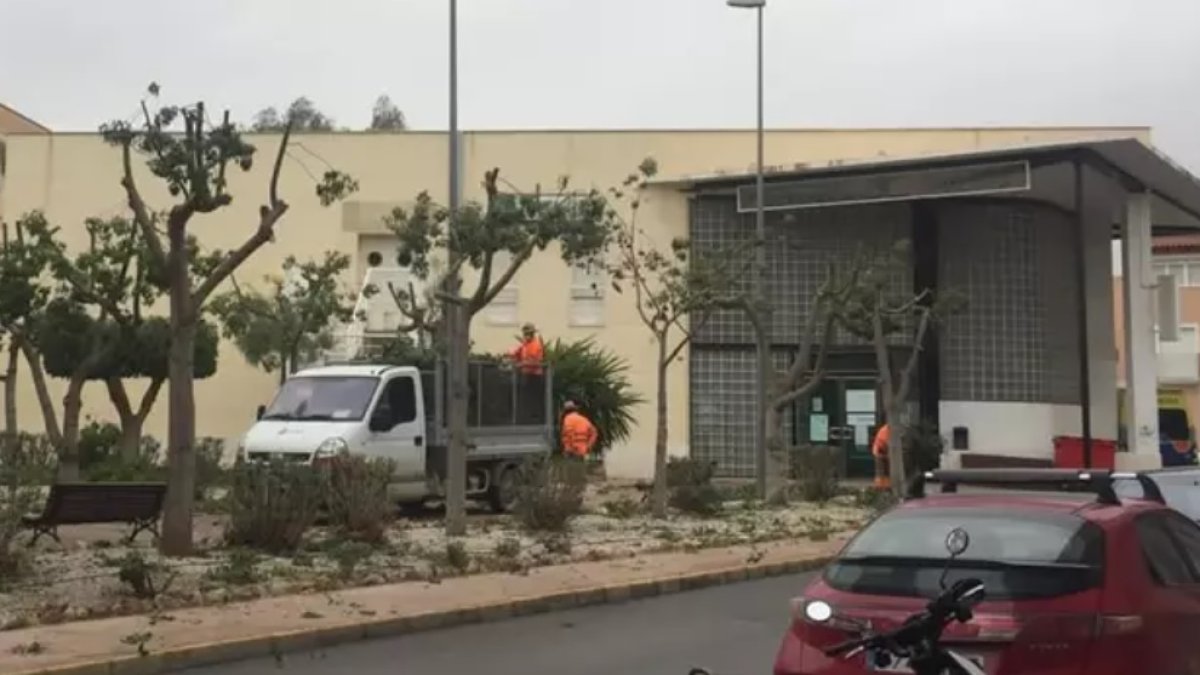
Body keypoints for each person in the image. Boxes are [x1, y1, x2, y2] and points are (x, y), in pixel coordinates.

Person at [871, 422, 891, 490]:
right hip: (880, 451)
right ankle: (881, 486)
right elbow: (885, 442)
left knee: (883, 471)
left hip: (881, 451)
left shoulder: (886, 429)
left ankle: (884, 486)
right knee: (881, 471)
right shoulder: (886, 430)